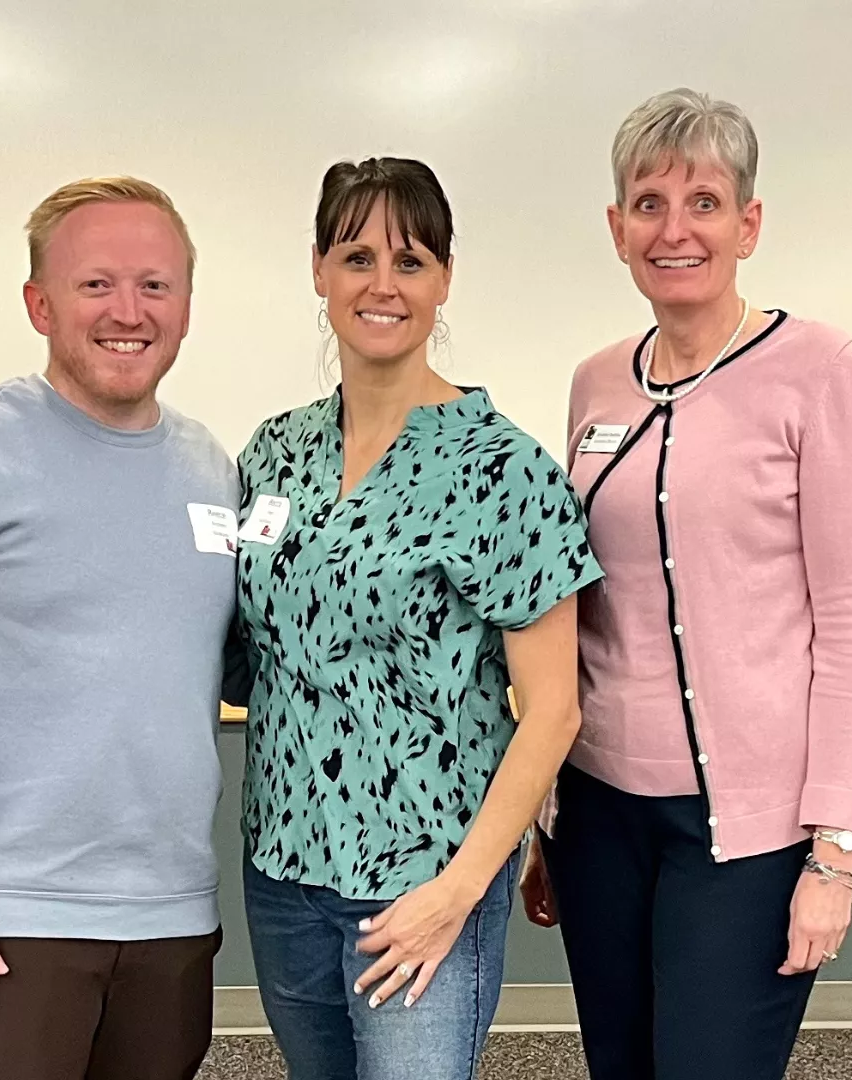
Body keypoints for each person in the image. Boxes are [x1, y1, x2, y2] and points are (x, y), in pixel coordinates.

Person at [521, 89, 852, 1080]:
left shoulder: (821, 371)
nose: (674, 229)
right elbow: (579, 607)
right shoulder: (596, 381)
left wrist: (835, 853)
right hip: (599, 813)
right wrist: (545, 812)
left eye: (703, 202)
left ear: (748, 224)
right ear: (616, 229)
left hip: (748, 833)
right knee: (622, 1065)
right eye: (648, 203)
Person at [0, 176, 235, 1080]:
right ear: (39, 303)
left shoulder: (213, 468)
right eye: (96, 284)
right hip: (9, 920)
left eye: (155, 284)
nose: (128, 311)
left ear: (186, 306)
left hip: (173, 914)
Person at [230, 157, 602, 1079]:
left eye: (411, 260)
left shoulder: (501, 470)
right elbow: (241, 651)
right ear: (318, 269)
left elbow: (553, 711)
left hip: (425, 882)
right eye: (357, 257)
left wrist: (463, 888)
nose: (382, 285)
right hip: (283, 874)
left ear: (444, 279)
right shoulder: (274, 452)